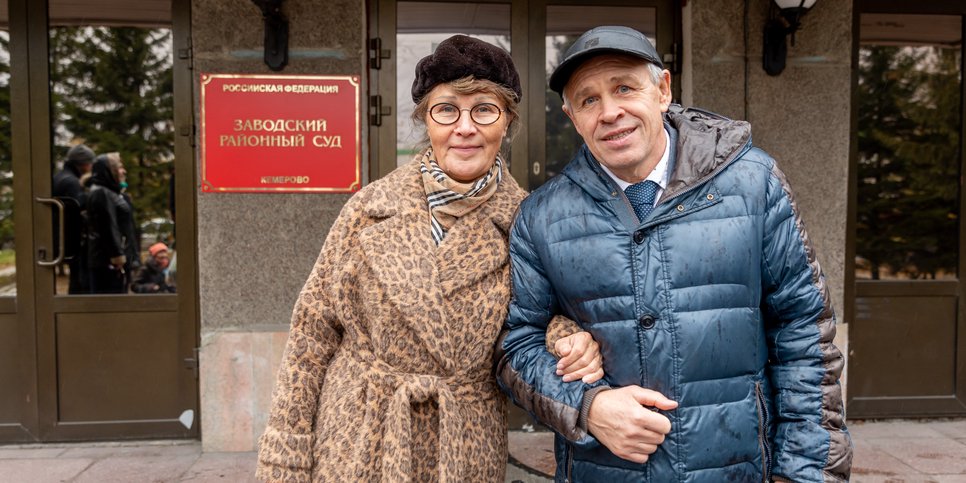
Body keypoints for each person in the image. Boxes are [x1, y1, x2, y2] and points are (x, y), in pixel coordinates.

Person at [496, 26, 852, 482]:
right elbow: (515, 345)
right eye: (588, 100)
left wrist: (805, 474)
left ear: (662, 90)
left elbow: (805, 334)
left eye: (624, 88)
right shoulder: (541, 217)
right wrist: (588, 407)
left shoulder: (753, 184)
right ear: (571, 115)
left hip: (737, 470)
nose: (610, 112)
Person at [256, 35, 604, 482]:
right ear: (427, 121)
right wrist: (286, 453)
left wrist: (569, 339)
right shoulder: (369, 209)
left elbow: (539, 314)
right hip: (358, 434)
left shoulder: (529, 222)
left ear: (507, 121)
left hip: (463, 443)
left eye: (484, 109)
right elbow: (311, 334)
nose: (465, 127)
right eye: (447, 110)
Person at [86, 152, 138, 294]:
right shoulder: (101, 193)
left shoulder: (110, 193)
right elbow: (107, 227)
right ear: (109, 171)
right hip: (108, 264)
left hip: (113, 262)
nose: (124, 171)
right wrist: (117, 257)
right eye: (120, 167)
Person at [52, 144, 95, 293]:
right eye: (90, 163)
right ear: (83, 164)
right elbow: (78, 208)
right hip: (71, 239)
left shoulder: (59, 177)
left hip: (60, 236)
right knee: (78, 280)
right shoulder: (71, 182)